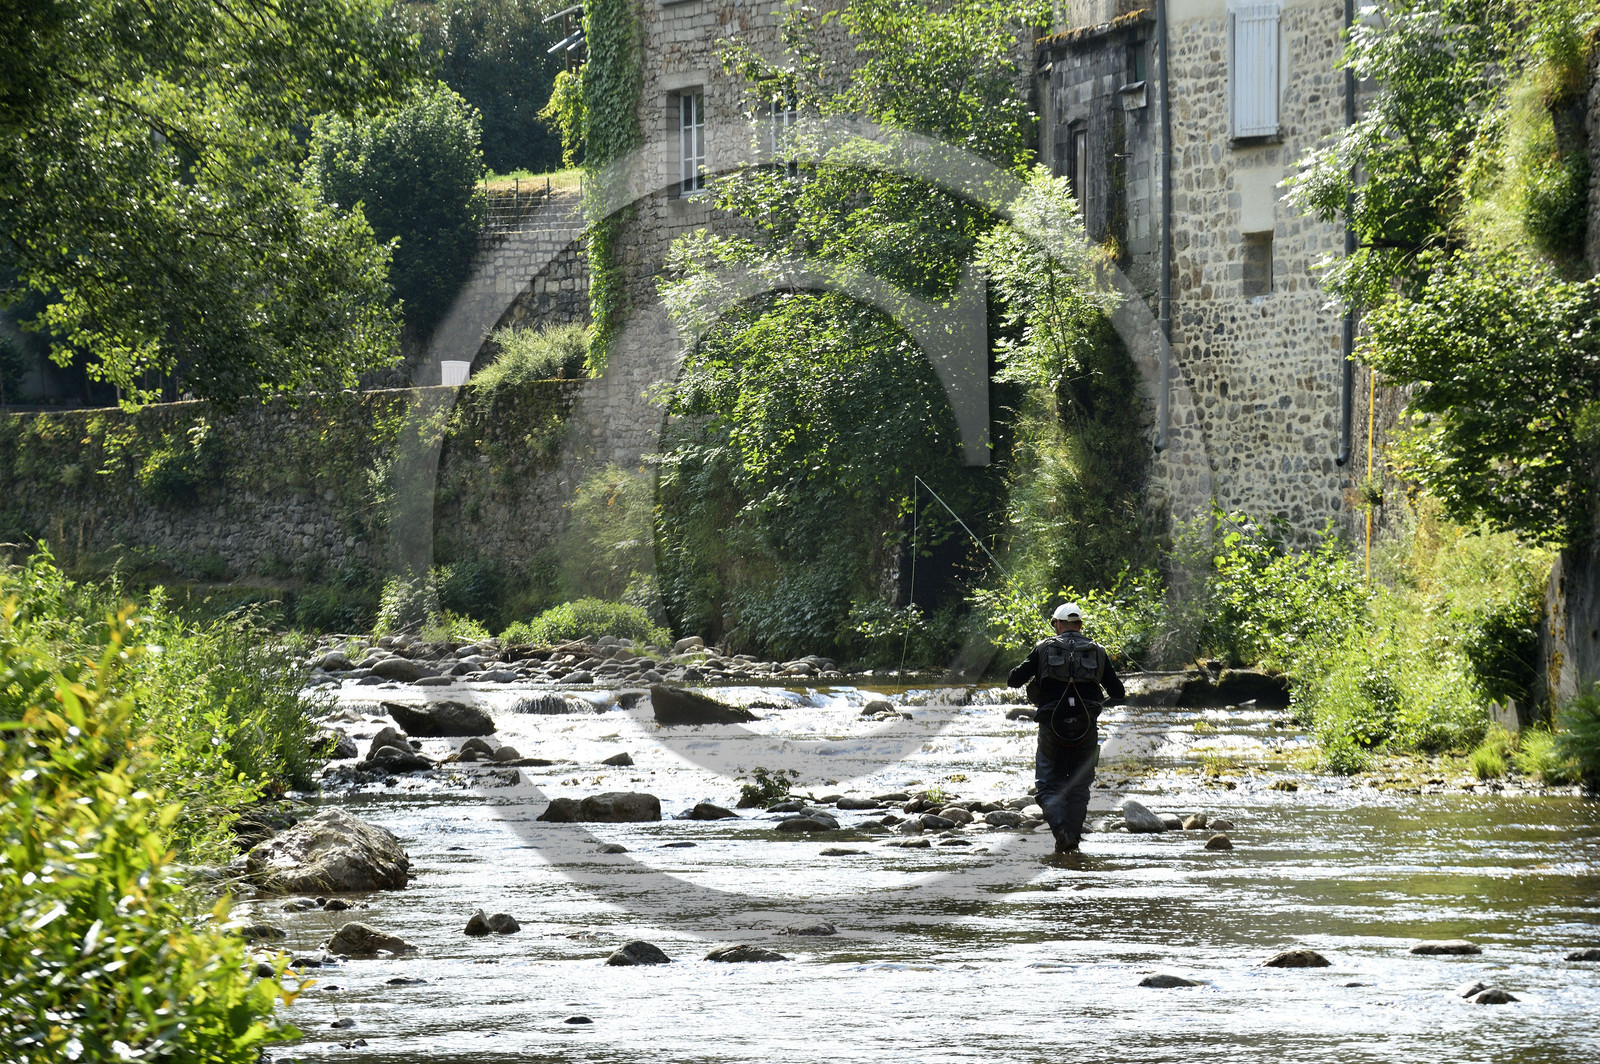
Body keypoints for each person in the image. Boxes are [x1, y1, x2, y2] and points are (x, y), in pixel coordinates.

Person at [1007, 602, 1125, 854]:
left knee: (1048, 786)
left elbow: (1013, 680)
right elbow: (1118, 692)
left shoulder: (1043, 648)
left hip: (1051, 727)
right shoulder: (1098, 651)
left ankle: (1061, 833)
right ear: (1080, 625)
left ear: (1057, 624)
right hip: (1086, 728)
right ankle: (1072, 838)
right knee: (1080, 786)